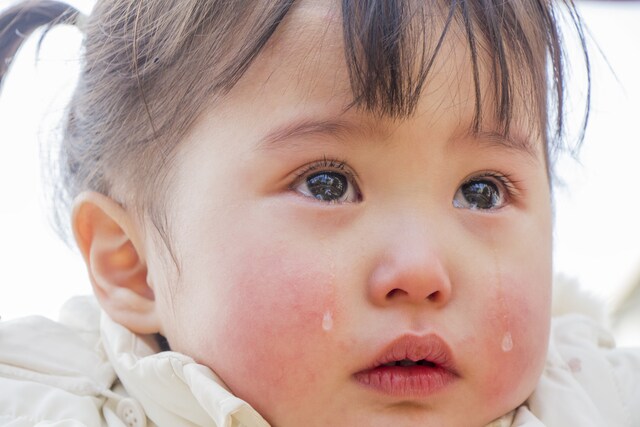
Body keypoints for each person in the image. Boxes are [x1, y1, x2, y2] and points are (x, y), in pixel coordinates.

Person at [0, 0, 638, 426]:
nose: (420, 270)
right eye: (328, 184)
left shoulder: (599, 401)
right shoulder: (45, 403)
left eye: (482, 192)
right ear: (134, 265)